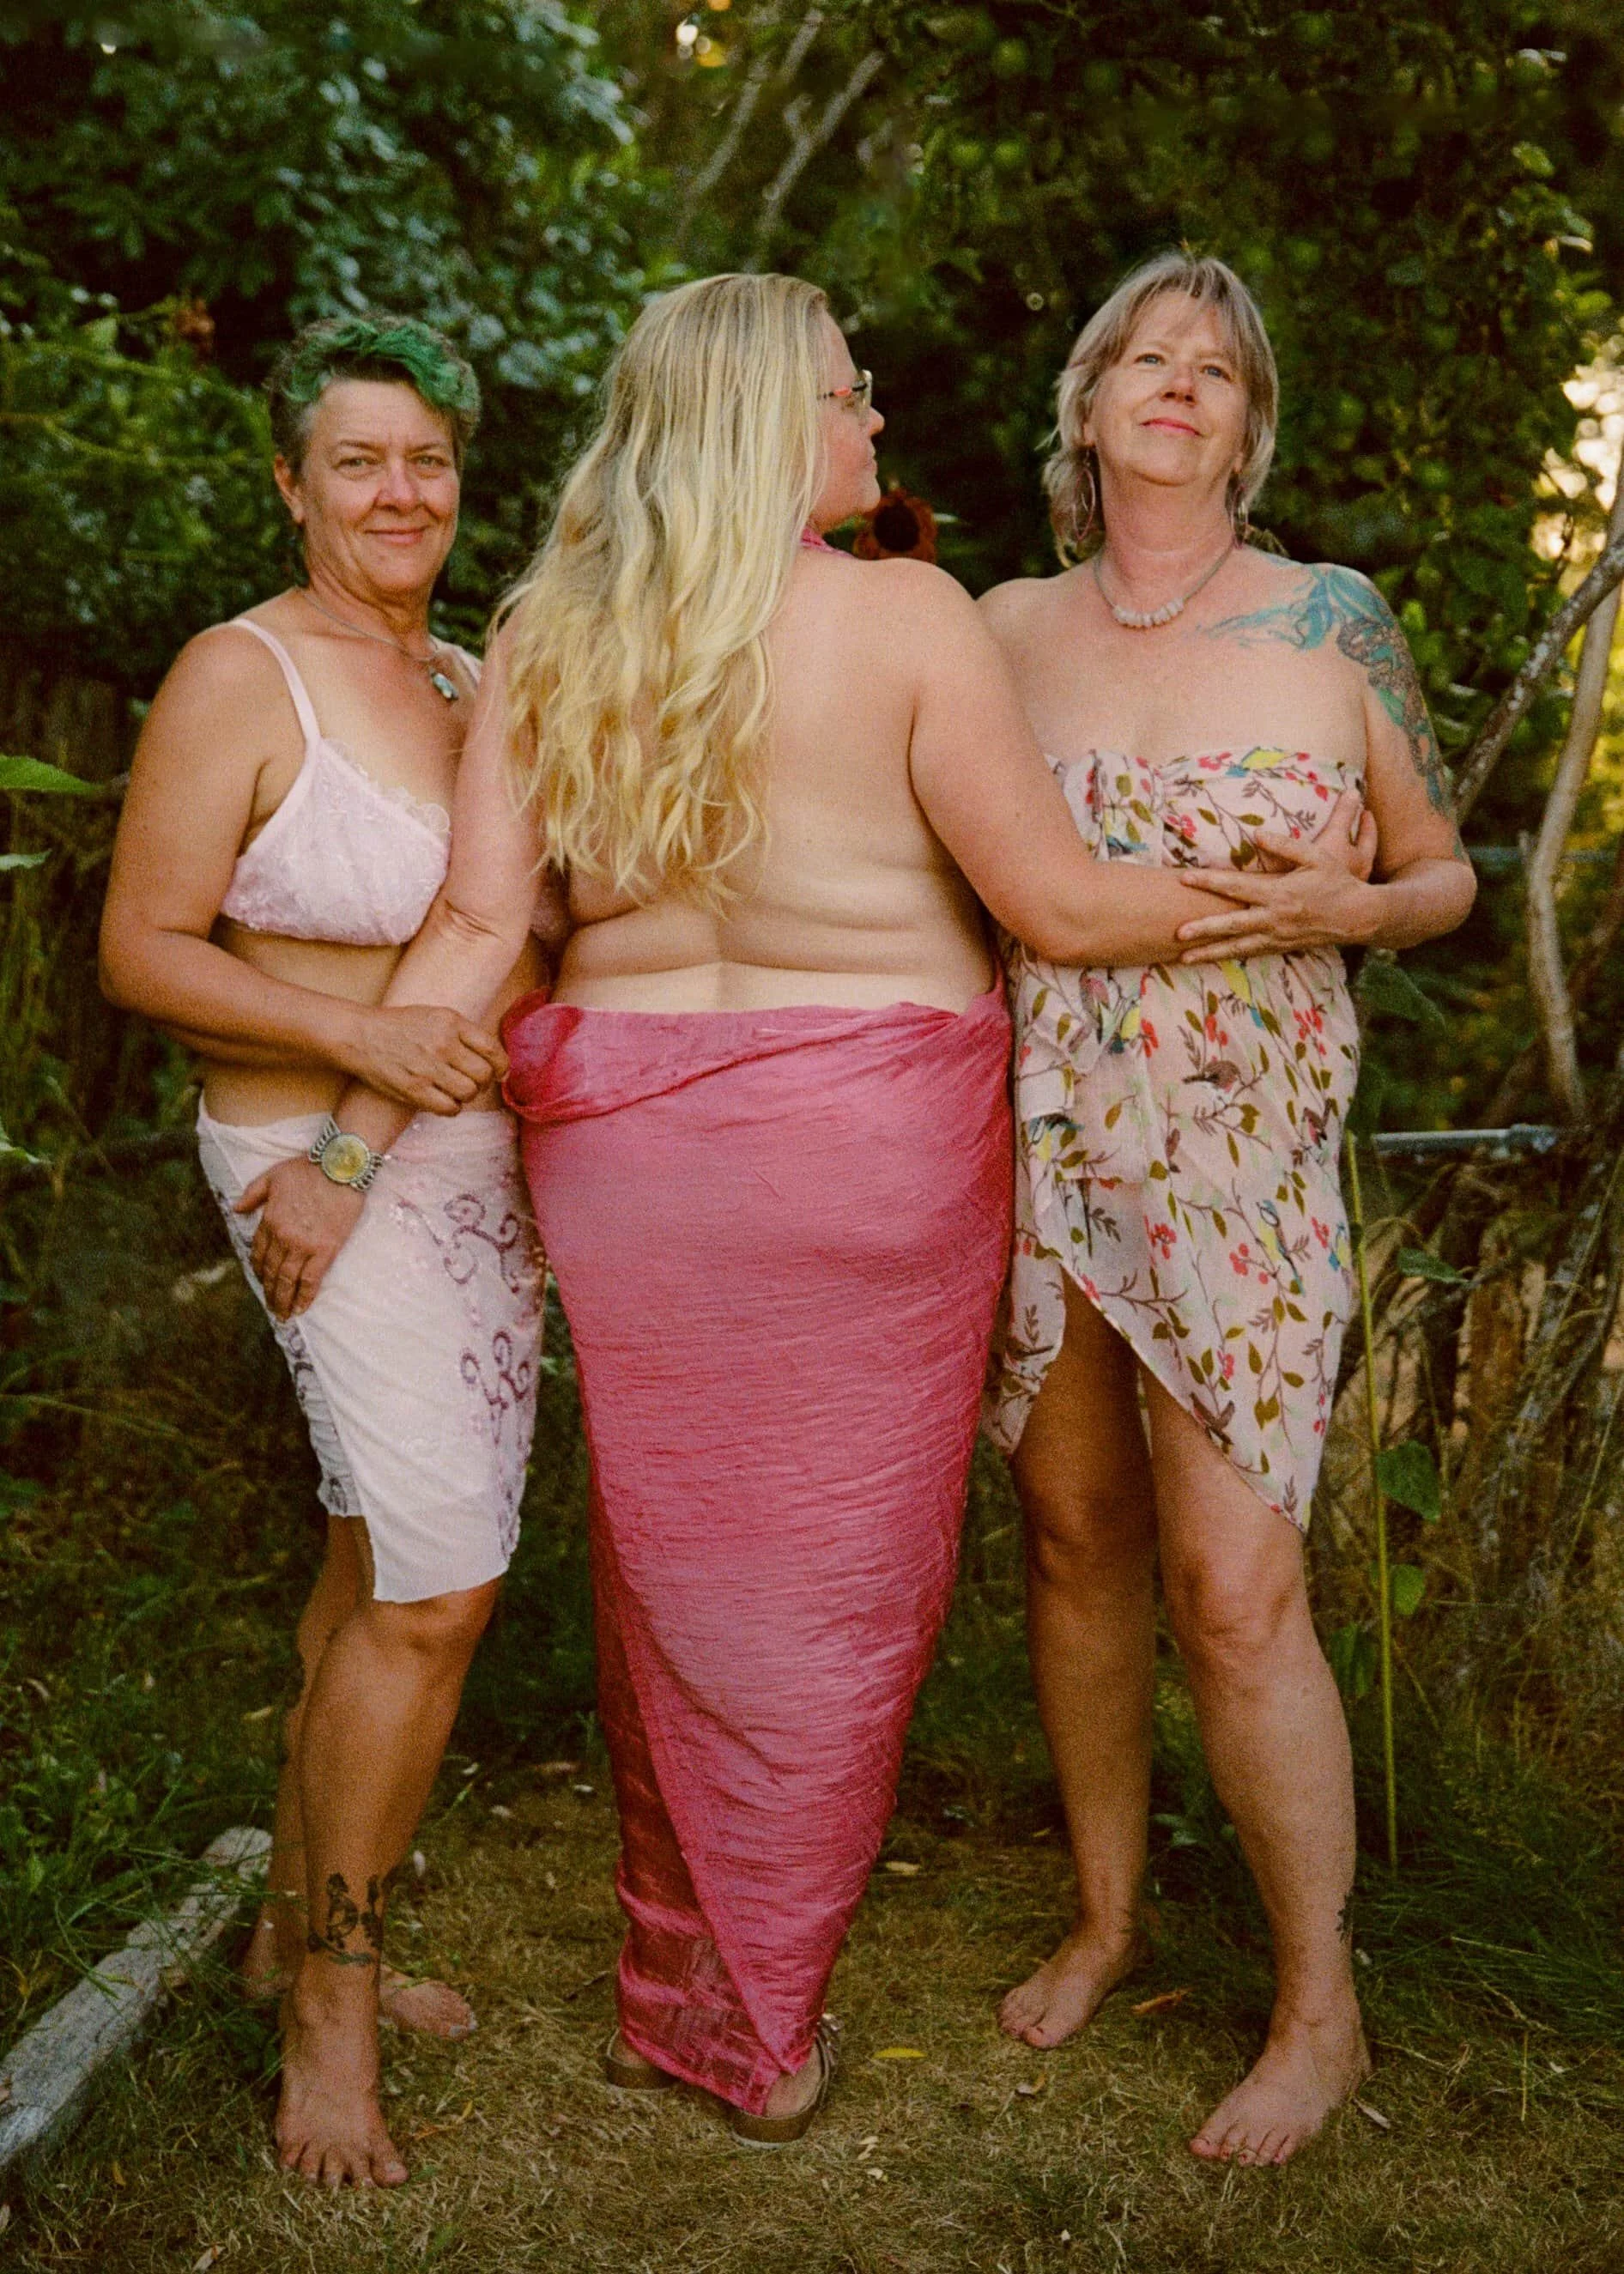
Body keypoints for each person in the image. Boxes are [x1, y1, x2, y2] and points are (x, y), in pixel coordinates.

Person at [242, 270, 1374, 2150]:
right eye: (850, 398)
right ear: (775, 417)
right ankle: (760, 2024)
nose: (874, 424)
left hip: (632, 1154)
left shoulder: (550, 627)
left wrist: (344, 1155)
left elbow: (476, 927)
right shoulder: (912, 615)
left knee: (671, 1571)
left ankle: (678, 1993)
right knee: (835, 1598)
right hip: (868, 1143)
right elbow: (1060, 906)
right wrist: (1291, 905)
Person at [979, 252, 1477, 2166]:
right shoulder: (997, 629)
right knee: (1073, 1539)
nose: (1179, 381)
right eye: (1145, 355)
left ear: (1249, 426)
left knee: (1236, 1589)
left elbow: (1437, 874)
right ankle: (1108, 1917)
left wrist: (1354, 906)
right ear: (1089, 402)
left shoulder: (1329, 619)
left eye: (1217, 367)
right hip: (1034, 1146)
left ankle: (1317, 2007)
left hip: (1243, 1167)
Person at [99, 314, 547, 2189]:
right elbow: (142, 946)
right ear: (293, 485)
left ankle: (295, 1928)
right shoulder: (240, 672)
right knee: (439, 1589)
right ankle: (332, 2016)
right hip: (308, 1162)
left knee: (378, 1557)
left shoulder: (471, 678)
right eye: (357, 459)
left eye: (427, 457)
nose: (398, 491)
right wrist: (362, 1045)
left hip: (476, 1170)